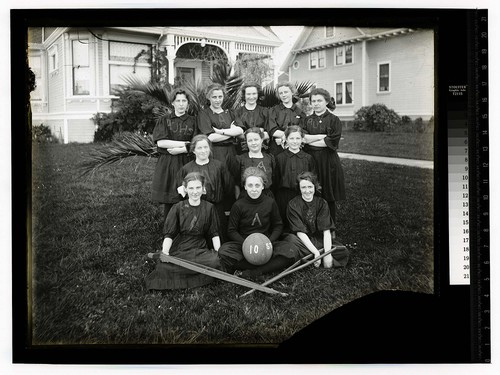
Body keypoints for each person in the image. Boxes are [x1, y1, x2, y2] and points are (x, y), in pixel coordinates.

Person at [218, 167, 301, 279]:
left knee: (292, 250)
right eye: (250, 185)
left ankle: (257, 271)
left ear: (263, 186)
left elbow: (278, 225)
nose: (254, 189)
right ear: (245, 187)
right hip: (244, 243)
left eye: (257, 185)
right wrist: (246, 244)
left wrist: (269, 242)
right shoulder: (238, 205)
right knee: (223, 252)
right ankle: (267, 267)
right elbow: (231, 230)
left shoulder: (270, 202)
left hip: (267, 241)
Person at [145, 172, 222, 290]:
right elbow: (169, 234)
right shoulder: (178, 207)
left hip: (199, 248)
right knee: (163, 265)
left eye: (198, 187)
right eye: (191, 188)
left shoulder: (209, 208)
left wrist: (218, 252)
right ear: (185, 189)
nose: (195, 191)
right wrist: (165, 252)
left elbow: (214, 233)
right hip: (181, 246)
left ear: (203, 189)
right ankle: (194, 275)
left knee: (215, 261)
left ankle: (188, 274)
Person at [151, 88, 196, 221]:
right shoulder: (164, 120)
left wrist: (182, 149)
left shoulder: (193, 121)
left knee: (187, 195)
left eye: (184, 101)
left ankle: (187, 227)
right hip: (168, 162)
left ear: (188, 103)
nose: (181, 104)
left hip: (186, 161)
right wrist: (185, 144)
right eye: (178, 101)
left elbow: (196, 143)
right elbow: (161, 143)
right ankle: (169, 229)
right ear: (172, 103)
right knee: (170, 197)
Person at [197, 83, 244, 208]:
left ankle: (235, 209)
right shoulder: (204, 114)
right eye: (214, 97)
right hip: (216, 152)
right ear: (208, 97)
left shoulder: (231, 113)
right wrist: (231, 133)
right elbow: (210, 137)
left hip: (232, 151)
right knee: (218, 180)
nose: (218, 100)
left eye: (220, 96)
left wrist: (221, 132)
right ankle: (217, 210)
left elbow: (240, 131)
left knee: (234, 180)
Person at [303, 88, 346, 224]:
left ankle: (330, 225)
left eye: (319, 100)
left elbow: (331, 142)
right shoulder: (307, 120)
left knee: (328, 193)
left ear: (326, 101)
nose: (316, 103)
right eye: (313, 101)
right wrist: (321, 137)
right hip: (311, 160)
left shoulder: (334, 120)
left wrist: (313, 140)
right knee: (312, 191)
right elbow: (303, 139)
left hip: (328, 161)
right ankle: (313, 224)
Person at [178, 134, 232, 242]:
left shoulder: (219, 166)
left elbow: (228, 186)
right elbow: (182, 191)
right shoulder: (186, 168)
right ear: (193, 150)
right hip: (196, 209)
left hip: (216, 209)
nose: (203, 151)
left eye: (206, 147)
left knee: (219, 239)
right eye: (199, 148)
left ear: (210, 148)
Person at [286, 172, 337, 268]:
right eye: (303, 187)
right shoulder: (293, 204)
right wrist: (316, 253)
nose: (307, 191)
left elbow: (326, 231)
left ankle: (309, 257)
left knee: (341, 250)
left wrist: (327, 254)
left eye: (310, 187)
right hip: (301, 241)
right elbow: (299, 233)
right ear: (299, 188)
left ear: (315, 187)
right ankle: (313, 255)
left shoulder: (322, 203)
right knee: (291, 241)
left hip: (318, 240)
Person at [275, 125, 316, 229]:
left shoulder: (308, 158)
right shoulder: (279, 158)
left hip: (302, 195)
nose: (294, 141)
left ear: (302, 140)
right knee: (285, 223)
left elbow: (313, 180)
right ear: (286, 139)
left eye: (297, 138)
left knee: (301, 223)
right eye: (291, 138)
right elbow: (276, 180)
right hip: (284, 196)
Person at [227, 127, 276, 199]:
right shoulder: (240, 159)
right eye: (250, 140)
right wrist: (238, 199)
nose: (253, 143)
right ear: (246, 142)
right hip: (246, 197)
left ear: (262, 140)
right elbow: (236, 182)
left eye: (256, 139)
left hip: (266, 197)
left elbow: (274, 179)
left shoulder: (270, 158)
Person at [266, 82, 307, 156]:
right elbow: (272, 131)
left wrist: (286, 138)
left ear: (292, 92)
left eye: (286, 92)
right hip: (276, 150)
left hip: (295, 149)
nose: (283, 95)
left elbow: (303, 132)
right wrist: (292, 136)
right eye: (281, 93)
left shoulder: (300, 113)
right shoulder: (273, 111)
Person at [233, 82, 270, 152]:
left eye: (254, 94)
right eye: (248, 94)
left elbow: (269, 133)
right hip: (242, 150)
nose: (251, 97)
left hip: (262, 150)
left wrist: (246, 133)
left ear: (258, 94)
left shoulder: (265, 111)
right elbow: (238, 134)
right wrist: (260, 131)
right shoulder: (237, 112)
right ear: (244, 95)